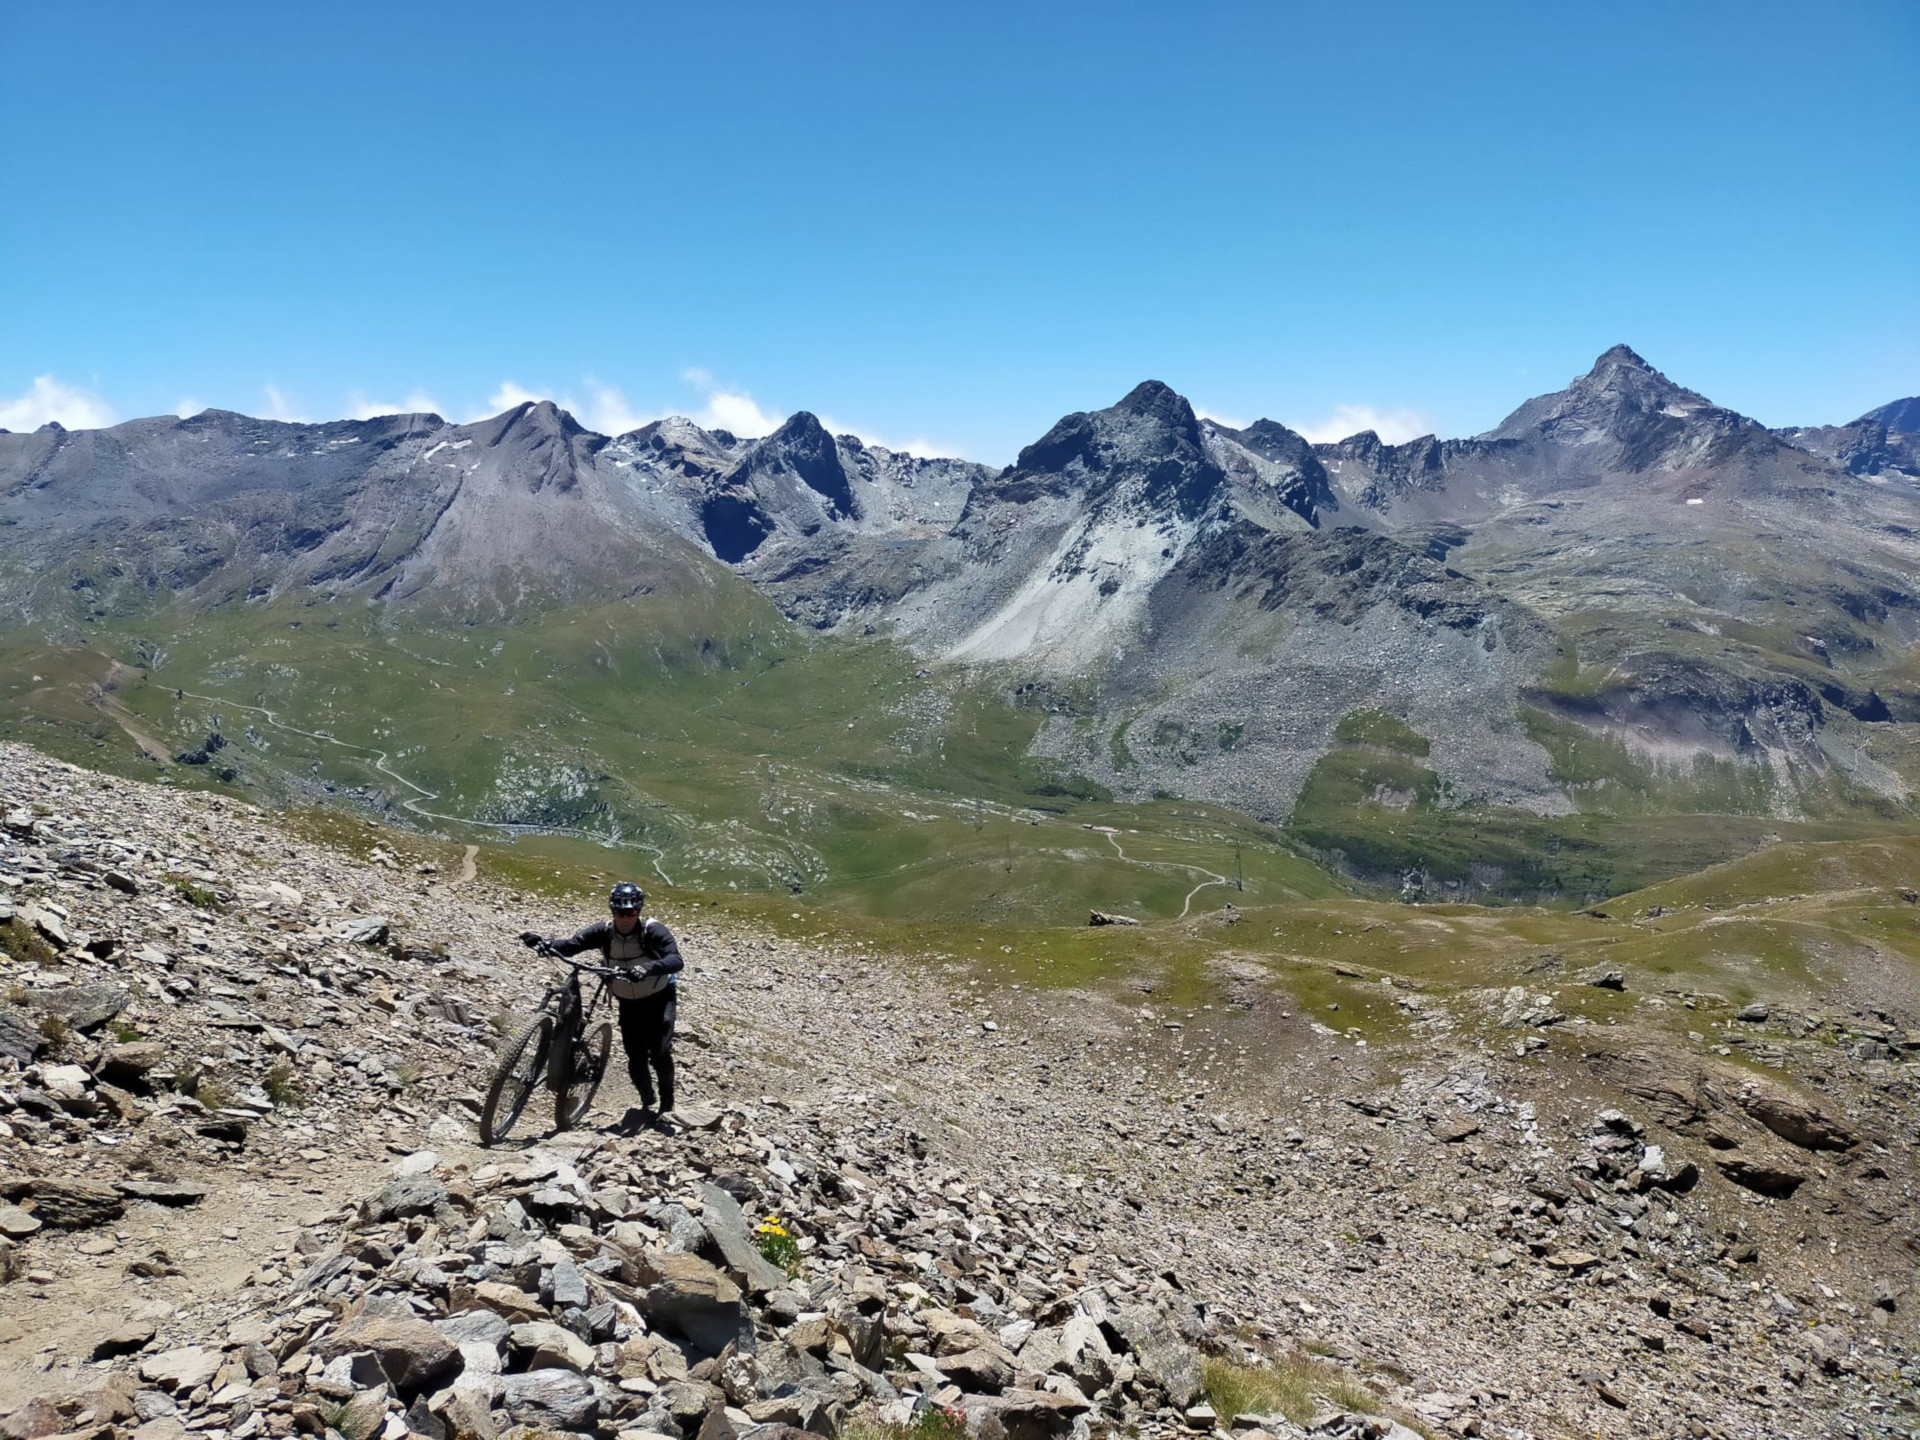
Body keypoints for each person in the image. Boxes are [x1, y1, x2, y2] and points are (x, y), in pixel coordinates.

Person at [520, 882, 682, 1119]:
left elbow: (676, 960)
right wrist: (545, 944)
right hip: (628, 1000)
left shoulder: (653, 931)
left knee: (659, 1052)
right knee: (635, 1055)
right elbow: (573, 945)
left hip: (659, 997)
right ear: (612, 911)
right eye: (619, 913)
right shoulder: (604, 932)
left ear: (638, 911)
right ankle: (648, 1099)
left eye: (630, 913)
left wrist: (647, 968)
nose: (625, 918)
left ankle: (667, 1104)